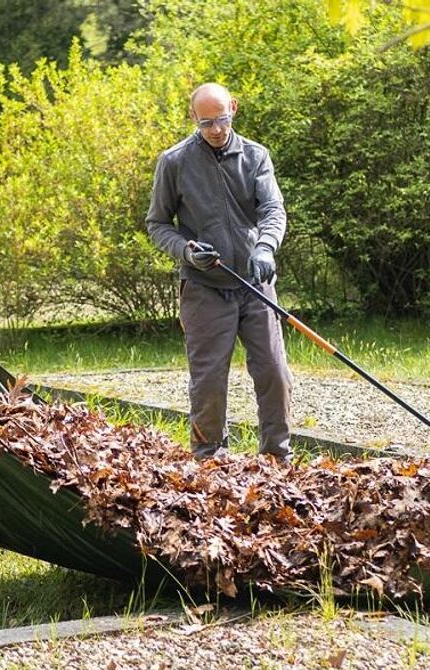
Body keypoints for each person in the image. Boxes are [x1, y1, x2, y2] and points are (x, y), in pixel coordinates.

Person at [146, 83, 293, 461]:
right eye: (206, 122)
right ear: (193, 118)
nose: (215, 129)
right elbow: (158, 224)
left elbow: (273, 211)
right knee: (209, 379)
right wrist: (187, 251)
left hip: (255, 284)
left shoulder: (256, 156)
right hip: (204, 287)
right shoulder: (175, 161)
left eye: (222, 119)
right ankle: (209, 457)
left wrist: (265, 247)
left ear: (234, 109)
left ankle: (277, 457)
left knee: (274, 373)